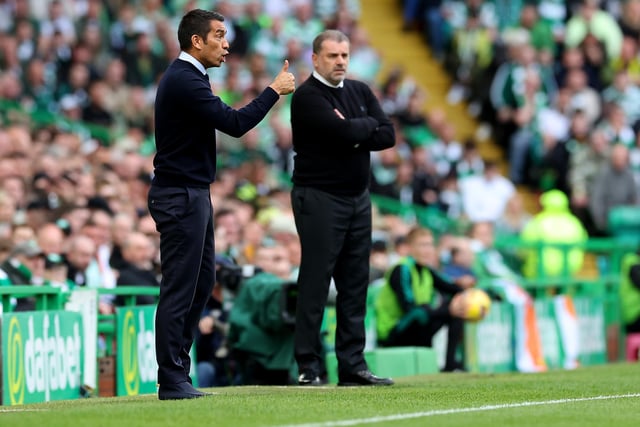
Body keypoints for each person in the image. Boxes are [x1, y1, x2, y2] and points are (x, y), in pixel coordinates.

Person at [147, 9, 295, 400]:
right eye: (218, 35)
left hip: (193, 192)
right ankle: (170, 377)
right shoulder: (184, 79)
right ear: (196, 41)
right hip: (180, 194)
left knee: (202, 282)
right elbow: (233, 123)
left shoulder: (191, 77)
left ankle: (179, 369)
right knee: (180, 286)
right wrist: (273, 91)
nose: (227, 44)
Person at [289, 29, 395, 386]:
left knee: (355, 283)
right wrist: (359, 129)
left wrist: (353, 128)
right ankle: (308, 366)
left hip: (357, 198)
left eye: (345, 55)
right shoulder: (306, 97)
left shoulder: (360, 91)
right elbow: (350, 135)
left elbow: (387, 135)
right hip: (319, 196)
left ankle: (352, 365)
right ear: (315, 59)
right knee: (316, 281)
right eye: (333, 56)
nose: (340, 62)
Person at [374, 227, 473, 372]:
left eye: (430, 244)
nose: (428, 250)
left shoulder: (427, 271)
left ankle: (450, 366)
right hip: (393, 332)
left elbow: (452, 288)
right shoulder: (401, 270)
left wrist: (474, 292)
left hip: (417, 327)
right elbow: (409, 308)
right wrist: (447, 310)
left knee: (455, 308)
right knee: (425, 311)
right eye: (422, 245)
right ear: (409, 248)